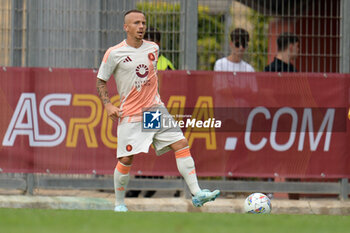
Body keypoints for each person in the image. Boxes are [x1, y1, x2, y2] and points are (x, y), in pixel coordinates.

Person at [96, 9, 220, 212]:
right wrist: (108, 104)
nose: (141, 26)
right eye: (136, 23)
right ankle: (119, 203)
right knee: (126, 159)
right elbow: (101, 80)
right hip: (130, 114)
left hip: (154, 111)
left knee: (180, 143)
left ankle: (197, 194)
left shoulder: (153, 48)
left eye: (143, 23)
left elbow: (152, 77)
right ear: (126, 27)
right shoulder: (114, 52)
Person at [126, 27, 177, 199]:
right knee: (141, 146)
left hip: (155, 110)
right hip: (139, 109)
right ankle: (143, 182)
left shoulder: (166, 64)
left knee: (151, 144)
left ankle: (150, 181)